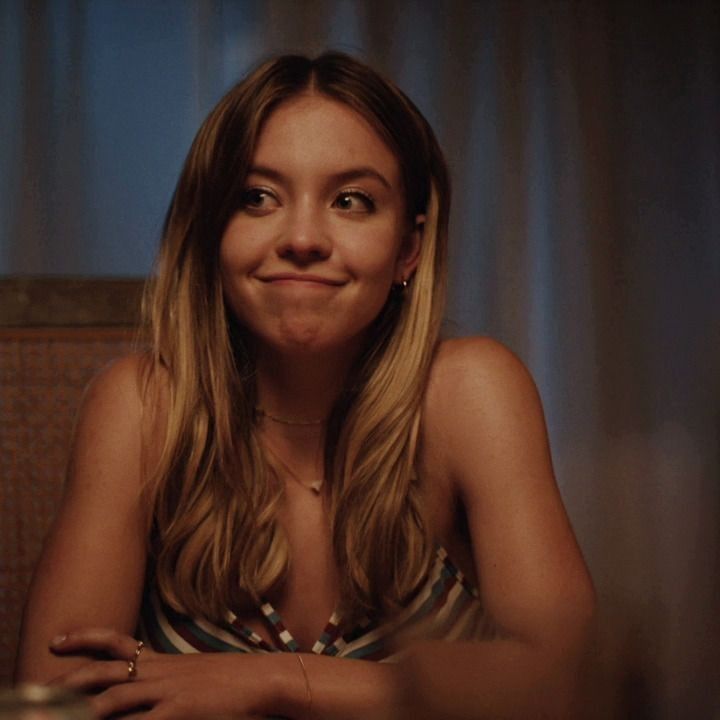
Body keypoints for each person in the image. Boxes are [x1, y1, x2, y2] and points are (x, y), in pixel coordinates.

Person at [15, 51, 595, 719]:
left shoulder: (471, 393)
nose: (302, 237)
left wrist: (277, 680)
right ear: (210, 233)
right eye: (257, 197)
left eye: (351, 200)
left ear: (408, 249)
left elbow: (566, 683)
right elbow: (49, 704)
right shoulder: (143, 406)